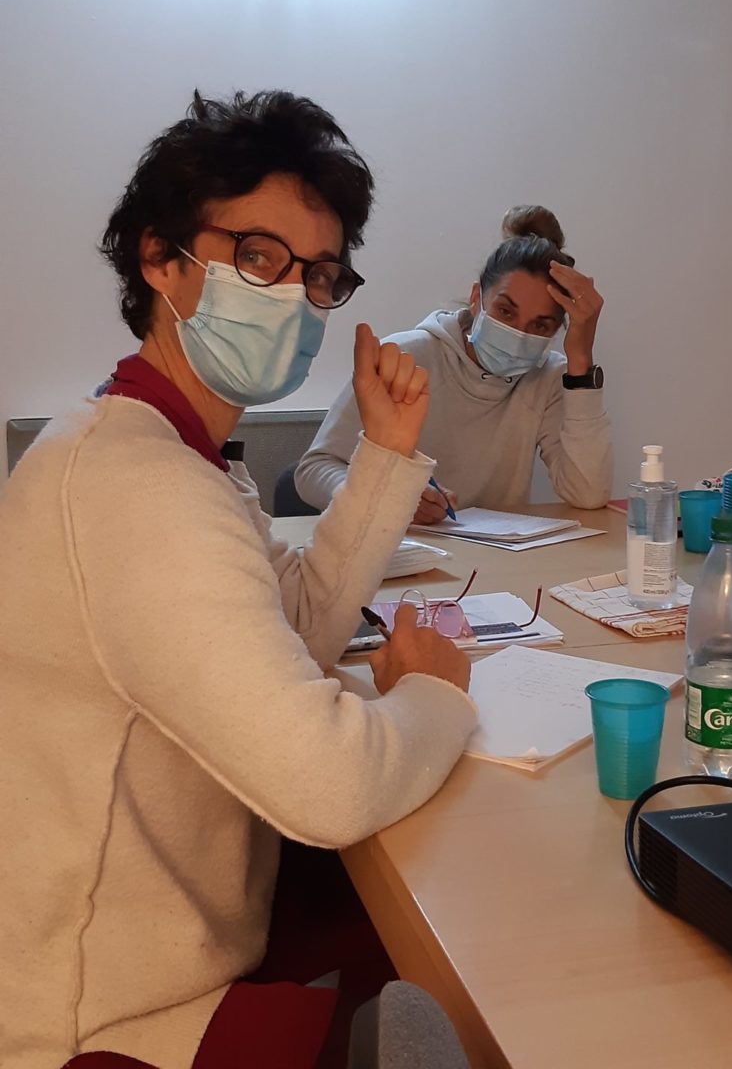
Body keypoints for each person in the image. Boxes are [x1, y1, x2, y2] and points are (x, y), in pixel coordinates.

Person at [0, 91, 477, 1069]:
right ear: (160, 257)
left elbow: (295, 626)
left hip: (177, 933)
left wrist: (386, 454)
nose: (293, 296)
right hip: (105, 1022)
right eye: (259, 257)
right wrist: (436, 696)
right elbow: (328, 786)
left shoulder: (166, 449)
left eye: (319, 273)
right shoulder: (134, 485)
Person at [295, 206, 612, 523]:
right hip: (397, 546)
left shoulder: (550, 377)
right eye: (505, 311)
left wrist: (581, 364)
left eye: (540, 325)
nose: (518, 334)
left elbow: (588, 493)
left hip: (495, 553)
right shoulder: (405, 356)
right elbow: (314, 469)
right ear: (476, 299)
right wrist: (386, 497)